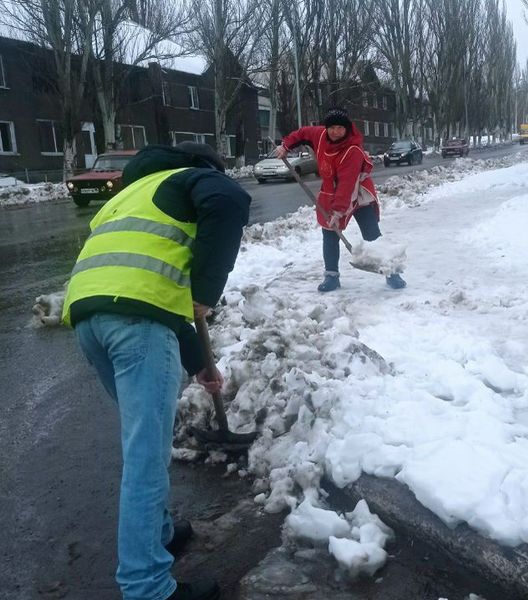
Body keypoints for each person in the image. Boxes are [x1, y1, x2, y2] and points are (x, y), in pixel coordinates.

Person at [61, 142, 251, 600]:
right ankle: (146, 586)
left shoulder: (128, 195)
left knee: (142, 441)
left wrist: (201, 366)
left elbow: (143, 285)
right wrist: (207, 287)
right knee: (146, 459)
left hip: (90, 320)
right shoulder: (190, 177)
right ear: (204, 166)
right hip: (137, 325)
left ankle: (160, 531)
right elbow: (230, 200)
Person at [276, 106, 407, 292]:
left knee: (371, 234)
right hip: (331, 191)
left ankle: (391, 273)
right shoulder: (320, 135)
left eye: (340, 128)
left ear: (347, 128)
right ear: (326, 127)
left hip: (357, 191)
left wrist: (338, 211)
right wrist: (286, 146)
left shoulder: (352, 150)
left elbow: (347, 184)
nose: (335, 132)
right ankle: (331, 277)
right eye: (332, 127)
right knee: (329, 233)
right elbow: (302, 133)